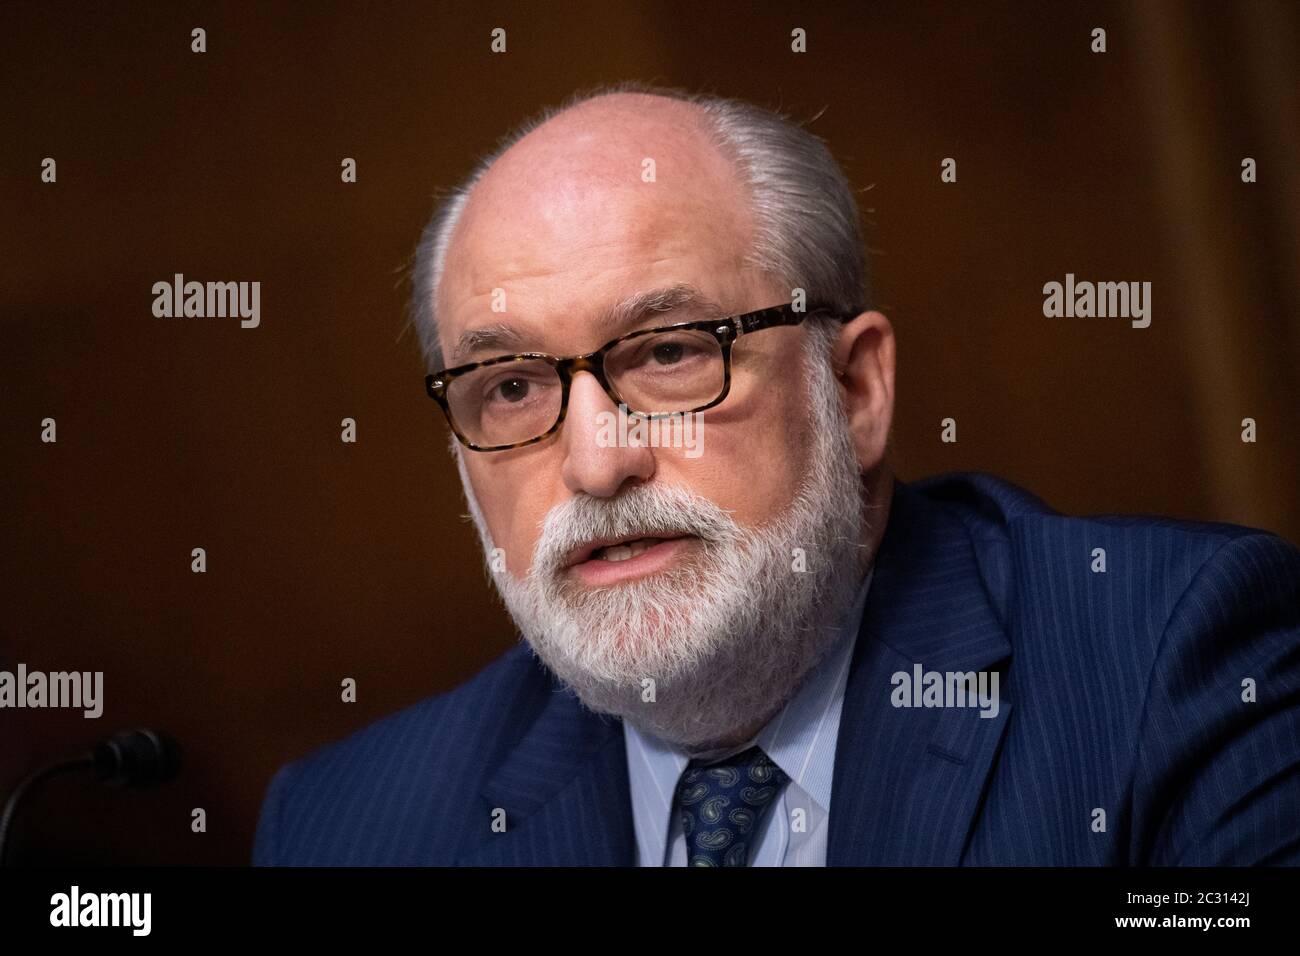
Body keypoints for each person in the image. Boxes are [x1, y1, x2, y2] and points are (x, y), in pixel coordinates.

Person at [253, 82, 1300, 866]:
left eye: (669, 353)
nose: (595, 461)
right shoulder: (348, 828)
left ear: (853, 390)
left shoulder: (1172, 664)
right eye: (513, 389)